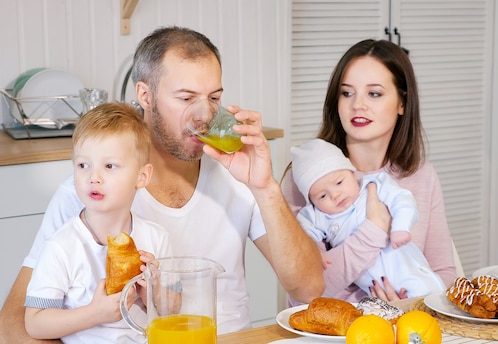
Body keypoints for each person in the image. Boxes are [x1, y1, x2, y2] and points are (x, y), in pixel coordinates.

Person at [0, 26, 324, 343]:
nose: (204, 115)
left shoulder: (238, 176)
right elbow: (14, 326)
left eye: (214, 98)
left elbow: (308, 289)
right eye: (186, 98)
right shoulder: (88, 192)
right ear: (145, 95)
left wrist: (264, 186)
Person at [281, 39, 456, 303]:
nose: (358, 105)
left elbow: (444, 272)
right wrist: (374, 229)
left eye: (374, 93)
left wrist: (411, 306)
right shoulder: (307, 179)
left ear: (402, 104)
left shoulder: (421, 175)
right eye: (347, 93)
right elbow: (306, 290)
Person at [23, 103, 171, 343]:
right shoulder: (61, 246)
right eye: (83, 165)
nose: (94, 177)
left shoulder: (157, 238)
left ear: (142, 176)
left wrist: (152, 292)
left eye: (109, 166)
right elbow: (35, 323)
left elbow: (173, 311)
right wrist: (94, 314)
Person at [291, 138, 445, 299]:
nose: (335, 195)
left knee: (426, 293)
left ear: (351, 173)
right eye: (322, 195)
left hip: (402, 265)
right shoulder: (317, 216)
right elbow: (301, 235)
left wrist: (401, 226)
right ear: (312, 201)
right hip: (372, 291)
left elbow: (402, 200)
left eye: (339, 182)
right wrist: (313, 253)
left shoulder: (373, 185)